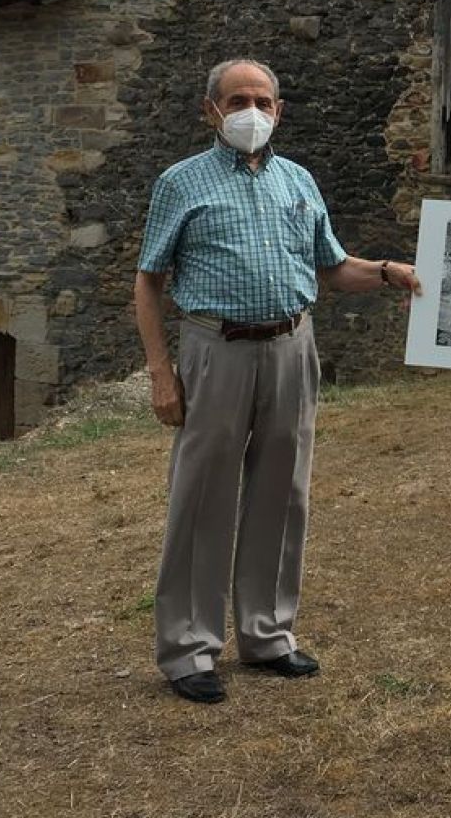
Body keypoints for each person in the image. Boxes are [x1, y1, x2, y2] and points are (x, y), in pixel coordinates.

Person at [134, 57, 422, 706]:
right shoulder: (180, 184)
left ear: (280, 110)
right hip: (217, 349)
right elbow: (148, 282)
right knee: (203, 495)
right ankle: (188, 648)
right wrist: (161, 372)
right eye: (238, 100)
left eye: (263, 101)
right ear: (211, 110)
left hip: (293, 344)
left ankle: (267, 635)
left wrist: (385, 271)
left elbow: (333, 268)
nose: (252, 112)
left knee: (282, 491)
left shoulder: (298, 181)